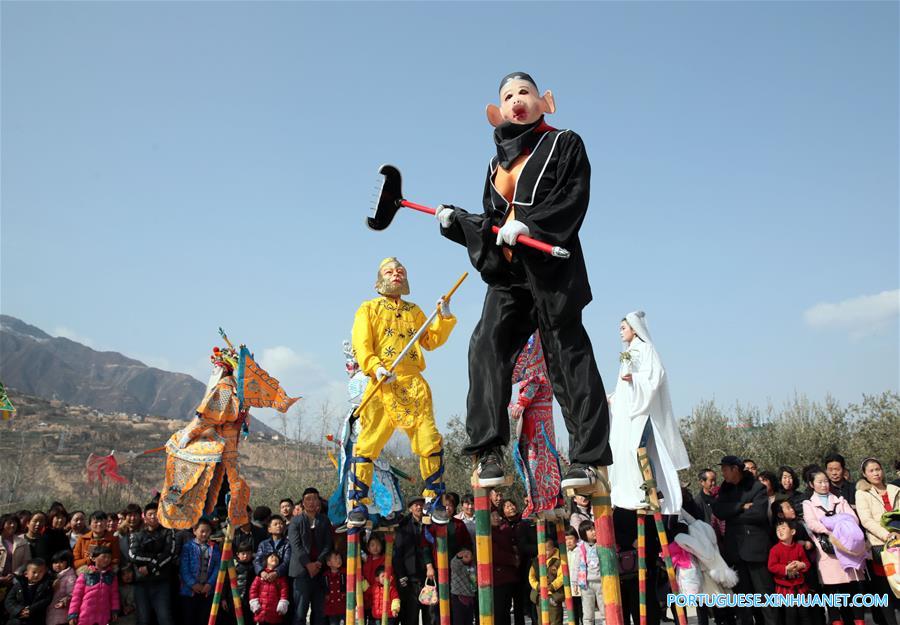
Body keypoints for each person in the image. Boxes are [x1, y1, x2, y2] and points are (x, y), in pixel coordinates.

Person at [437, 71, 611, 489]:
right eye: (508, 95)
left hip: (552, 270)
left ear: (544, 101)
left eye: (525, 92)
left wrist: (533, 224)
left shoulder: (565, 142)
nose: (517, 99)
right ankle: (487, 451)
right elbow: (493, 223)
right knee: (485, 344)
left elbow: (574, 197)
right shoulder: (494, 164)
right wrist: (457, 223)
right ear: (496, 112)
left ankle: (586, 458)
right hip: (510, 276)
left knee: (567, 357)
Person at [348, 257, 457, 526]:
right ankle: (358, 503)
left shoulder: (415, 310)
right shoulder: (368, 308)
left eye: (400, 271)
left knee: (429, 439)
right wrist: (374, 367)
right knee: (368, 442)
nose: (396, 274)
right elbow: (361, 345)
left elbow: (431, 340)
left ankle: (434, 498)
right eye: (390, 271)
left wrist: (443, 317)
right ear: (379, 278)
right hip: (381, 383)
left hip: (412, 385)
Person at [608, 311, 689, 514]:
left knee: (638, 447)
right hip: (630, 411)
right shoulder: (628, 353)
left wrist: (636, 379)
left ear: (634, 329)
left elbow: (656, 374)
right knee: (628, 450)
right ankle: (640, 490)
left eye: (623, 328)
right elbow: (623, 388)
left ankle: (653, 488)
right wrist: (614, 397)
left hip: (643, 410)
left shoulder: (646, 348)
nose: (620, 332)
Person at [710, 455, 777, 625]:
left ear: (735, 469)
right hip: (736, 551)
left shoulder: (756, 487)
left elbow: (758, 514)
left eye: (725, 469)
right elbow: (719, 511)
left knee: (765, 597)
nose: (723, 473)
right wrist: (741, 507)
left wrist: (732, 514)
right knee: (743, 600)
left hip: (755, 551)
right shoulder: (724, 489)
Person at [508, 332, 565, 517]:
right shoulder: (538, 361)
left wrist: (520, 404)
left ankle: (544, 503)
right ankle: (543, 502)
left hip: (538, 422)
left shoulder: (535, 354)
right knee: (534, 459)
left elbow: (533, 382)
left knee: (537, 459)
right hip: (536, 420)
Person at [802, 469, 866, 625]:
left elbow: (853, 519)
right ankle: (836, 621)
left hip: (846, 548)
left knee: (852, 589)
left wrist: (835, 526)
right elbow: (812, 523)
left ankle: (857, 621)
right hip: (827, 550)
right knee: (831, 591)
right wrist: (831, 529)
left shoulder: (840, 500)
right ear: (812, 484)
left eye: (826, 481)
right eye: (820, 482)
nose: (824, 485)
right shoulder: (808, 504)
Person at [855, 458, 899, 625]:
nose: (876, 473)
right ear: (865, 474)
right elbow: (866, 520)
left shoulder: (895, 490)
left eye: (878, 469)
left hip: (899, 542)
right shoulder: (863, 493)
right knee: (885, 591)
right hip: (880, 546)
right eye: (871, 470)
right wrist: (886, 535)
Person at [288, 487, 333, 625]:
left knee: (319, 612)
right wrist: (308, 565)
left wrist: (318, 562)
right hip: (301, 572)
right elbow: (296, 546)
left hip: (320, 571)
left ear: (319, 502)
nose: (312, 502)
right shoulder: (296, 521)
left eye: (315, 498)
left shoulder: (324, 520)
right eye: (308, 499)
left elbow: (328, 544)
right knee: (300, 611)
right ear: (303, 503)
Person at [128, 503, 175, 625]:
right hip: (141, 583)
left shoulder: (168, 533)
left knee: (165, 618)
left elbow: (169, 554)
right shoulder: (137, 535)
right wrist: (155, 559)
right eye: (150, 514)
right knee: (143, 619)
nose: (154, 517)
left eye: (157, 514)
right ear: (145, 516)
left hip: (161, 582)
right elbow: (133, 555)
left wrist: (150, 567)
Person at [394, 497, 435, 625]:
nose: (419, 507)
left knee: (430, 616)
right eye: (416, 505)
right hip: (410, 579)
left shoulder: (430, 523)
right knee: (410, 617)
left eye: (421, 504)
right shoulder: (403, 526)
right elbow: (398, 554)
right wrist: (401, 576)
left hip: (428, 578)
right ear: (410, 508)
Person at [766, 520, 811, 624]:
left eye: (783, 528)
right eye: (777, 529)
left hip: (800, 586)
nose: (780, 531)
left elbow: (806, 563)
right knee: (791, 616)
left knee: (805, 614)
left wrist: (802, 565)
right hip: (785, 588)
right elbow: (771, 566)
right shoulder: (775, 549)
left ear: (792, 532)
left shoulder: (799, 547)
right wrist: (786, 569)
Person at [178, 518, 220, 623]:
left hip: (207, 590)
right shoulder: (188, 547)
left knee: (204, 619)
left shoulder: (214, 548)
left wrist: (210, 584)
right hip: (189, 591)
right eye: (202, 531)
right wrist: (193, 584)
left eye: (208, 531)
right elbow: (184, 568)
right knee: (189, 619)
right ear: (194, 531)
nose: (205, 534)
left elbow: (217, 567)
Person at [67, 546, 119, 625]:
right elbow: (76, 596)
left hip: (103, 616)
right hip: (85, 616)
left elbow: (114, 595)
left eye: (109, 557)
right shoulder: (85, 575)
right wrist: (73, 615)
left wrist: (115, 610)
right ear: (94, 558)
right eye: (104, 556)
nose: (107, 559)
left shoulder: (112, 576)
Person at [569, 521, 601, 625]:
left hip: (601, 582)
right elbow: (576, 566)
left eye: (594, 529)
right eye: (590, 530)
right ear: (583, 533)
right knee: (588, 614)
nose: (594, 531)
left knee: (605, 611)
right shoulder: (581, 547)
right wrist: (574, 583)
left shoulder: (601, 544)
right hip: (586, 584)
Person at [4, 558, 52, 625]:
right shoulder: (18, 585)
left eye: (40, 572)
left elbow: (45, 600)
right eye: (34, 572)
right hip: (16, 619)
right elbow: (9, 601)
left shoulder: (46, 586)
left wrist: (30, 610)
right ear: (26, 574)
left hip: (35, 619)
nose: (37, 575)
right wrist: (19, 611)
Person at [250, 553, 290, 625]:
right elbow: (253, 590)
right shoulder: (260, 576)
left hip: (274, 611)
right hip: (261, 610)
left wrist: (283, 603)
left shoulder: (280, 578)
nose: (274, 558)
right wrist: (254, 602)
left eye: (276, 557)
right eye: (271, 556)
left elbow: (284, 591)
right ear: (266, 560)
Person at [255, 515, 291, 583]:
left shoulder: (287, 544)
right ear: (269, 529)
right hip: (264, 579)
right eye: (275, 524)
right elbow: (257, 560)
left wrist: (276, 573)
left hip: (281, 580)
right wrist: (261, 572)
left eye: (281, 524)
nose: (279, 526)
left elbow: (287, 561)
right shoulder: (263, 544)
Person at [45, 551, 76, 625]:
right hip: (50, 612)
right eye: (55, 563)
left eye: (61, 562)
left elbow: (72, 594)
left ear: (67, 563)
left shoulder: (70, 577)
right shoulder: (51, 576)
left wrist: (64, 601)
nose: (57, 565)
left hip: (61, 613)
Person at [450, 547, 476, 625]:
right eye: (465, 555)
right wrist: (458, 556)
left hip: (470, 598)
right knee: (458, 621)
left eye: (469, 555)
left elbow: (474, 584)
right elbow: (454, 563)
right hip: (458, 597)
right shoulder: (457, 566)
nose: (467, 556)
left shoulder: (472, 567)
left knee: (469, 621)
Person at [322, 552, 345, 625]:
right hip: (331, 608)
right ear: (329, 563)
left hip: (343, 607)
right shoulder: (325, 575)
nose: (338, 560)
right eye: (335, 558)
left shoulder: (345, 572)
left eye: (339, 558)